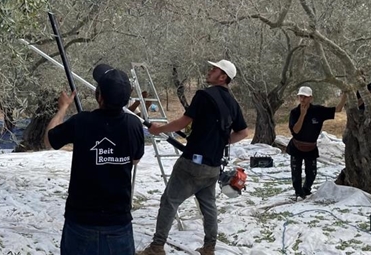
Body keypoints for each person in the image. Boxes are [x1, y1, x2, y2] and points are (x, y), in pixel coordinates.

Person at [137, 60, 248, 255]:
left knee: (169, 201)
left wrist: (158, 129)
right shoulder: (232, 103)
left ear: (223, 77)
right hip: (213, 167)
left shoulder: (204, 95)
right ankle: (209, 248)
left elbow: (183, 122)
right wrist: (221, 142)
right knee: (209, 207)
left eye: (214, 69)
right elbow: (243, 132)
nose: (209, 71)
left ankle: (157, 247)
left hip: (191, 164)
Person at [45, 63, 145, 255]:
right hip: (118, 224)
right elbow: (135, 160)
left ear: (99, 97)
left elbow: (49, 140)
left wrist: (63, 108)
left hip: (81, 223)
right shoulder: (133, 125)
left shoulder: (81, 121)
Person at [287, 86, 346, 200]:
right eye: (300, 97)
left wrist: (345, 95)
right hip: (296, 146)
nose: (302, 99)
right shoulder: (294, 112)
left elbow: (338, 109)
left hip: (311, 148)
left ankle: (306, 189)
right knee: (296, 172)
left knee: (311, 173)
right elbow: (295, 130)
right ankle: (298, 192)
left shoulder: (318, 111)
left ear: (311, 98)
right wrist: (302, 115)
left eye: (305, 97)